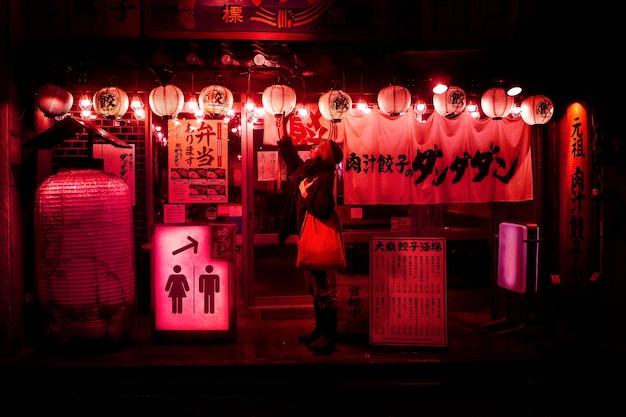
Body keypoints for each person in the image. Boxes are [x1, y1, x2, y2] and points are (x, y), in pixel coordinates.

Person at [277, 130, 344, 353]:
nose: (313, 148)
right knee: (315, 288)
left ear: (323, 156)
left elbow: (324, 209)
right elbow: (292, 160)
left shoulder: (324, 177)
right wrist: (284, 135)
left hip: (320, 238)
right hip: (308, 234)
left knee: (325, 290)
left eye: (317, 147)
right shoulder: (309, 172)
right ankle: (319, 330)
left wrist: (306, 196)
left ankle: (329, 338)